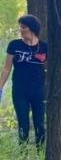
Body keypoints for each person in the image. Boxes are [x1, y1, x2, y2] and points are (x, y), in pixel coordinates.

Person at [0, 15, 47, 149]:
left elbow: (49, 68)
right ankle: (23, 156)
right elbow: (6, 68)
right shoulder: (14, 45)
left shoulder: (44, 47)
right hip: (20, 91)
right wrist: (0, 88)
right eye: (20, 27)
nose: (20, 30)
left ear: (31, 28)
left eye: (23, 27)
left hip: (39, 91)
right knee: (23, 124)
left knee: (40, 124)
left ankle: (40, 155)